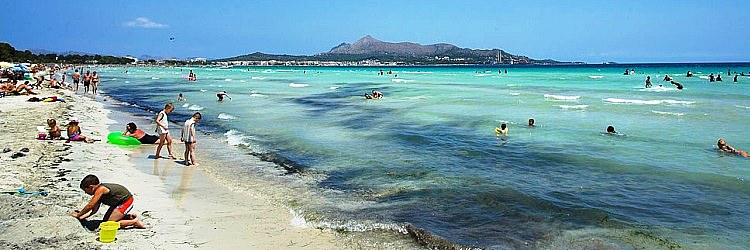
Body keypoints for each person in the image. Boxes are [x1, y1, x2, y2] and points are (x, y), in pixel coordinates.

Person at [70, 174, 145, 229]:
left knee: (109, 223)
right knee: (105, 220)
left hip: (126, 202)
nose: (86, 193)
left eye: (86, 191)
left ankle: (134, 222)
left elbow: (90, 205)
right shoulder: (98, 193)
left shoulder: (101, 189)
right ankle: (129, 217)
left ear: (91, 187)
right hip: (117, 203)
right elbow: (94, 210)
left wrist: (78, 214)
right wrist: (82, 217)